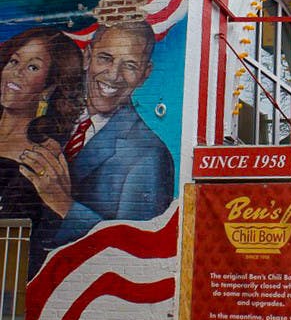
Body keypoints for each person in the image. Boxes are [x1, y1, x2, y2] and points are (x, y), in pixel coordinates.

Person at [32, 19, 174, 247]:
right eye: (105, 58)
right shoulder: (50, 116)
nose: (114, 75)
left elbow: (135, 247)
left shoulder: (149, 155)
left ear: (145, 74)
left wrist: (63, 204)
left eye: (130, 65)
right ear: (87, 57)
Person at [0, 28, 84, 277]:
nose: (15, 71)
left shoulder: (43, 159)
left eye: (32, 67)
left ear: (49, 89)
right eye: (14, 61)